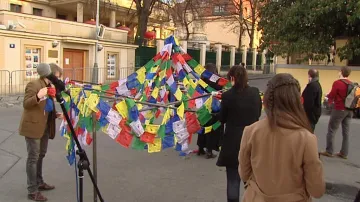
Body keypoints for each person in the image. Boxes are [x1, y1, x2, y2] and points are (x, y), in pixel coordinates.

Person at [239, 73, 325, 202]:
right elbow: (316, 190)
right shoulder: (307, 139)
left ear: (268, 99)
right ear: (296, 100)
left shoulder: (250, 131)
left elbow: (244, 174)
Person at [216, 65, 262, 202]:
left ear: (232, 78)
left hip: (232, 142)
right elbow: (258, 113)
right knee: (251, 180)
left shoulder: (228, 95)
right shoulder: (255, 92)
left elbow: (222, 118)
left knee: (233, 179)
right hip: (252, 141)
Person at [19, 63, 63, 201]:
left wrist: (55, 114)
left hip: (44, 126)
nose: (57, 80)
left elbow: (47, 106)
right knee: (33, 157)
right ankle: (32, 191)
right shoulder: (34, 85)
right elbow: (26, 104)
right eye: (56, 77)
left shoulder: (49, 87)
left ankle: (39, 182)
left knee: (41, 155)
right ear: (49, 75)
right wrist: (38, 96)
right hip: (33, 126)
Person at [320, 66, 353, 159]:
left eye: (339, 71)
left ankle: (329, 151)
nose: (338, 73)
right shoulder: (351, 84)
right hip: (349, 110)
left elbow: (332, 95)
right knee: (346, 132)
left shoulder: (337, 83)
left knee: (332, 130)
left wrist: (327, 95)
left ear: (341, 72)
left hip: (339, 109)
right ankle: (344, 153)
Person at [197, 63, 223, 158]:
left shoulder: (202, 80)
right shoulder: (218, 80)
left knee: (203, 127)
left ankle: (200, 148)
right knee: (212, 130)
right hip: (214, 107)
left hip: (202, 106)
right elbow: (223, 90)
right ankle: (209, 151)